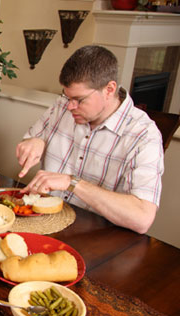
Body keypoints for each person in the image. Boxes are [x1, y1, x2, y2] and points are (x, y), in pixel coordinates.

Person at [16, 45, 164, 234]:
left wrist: (73, 183)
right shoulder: (64, 106)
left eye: (79, 99)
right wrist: (35, 142)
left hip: (98, 237)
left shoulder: (143, 135)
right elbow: (32, 139)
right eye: (66, 96)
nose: (70, 106)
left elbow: (142, 218)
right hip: (44, 223)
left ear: (109, 89)